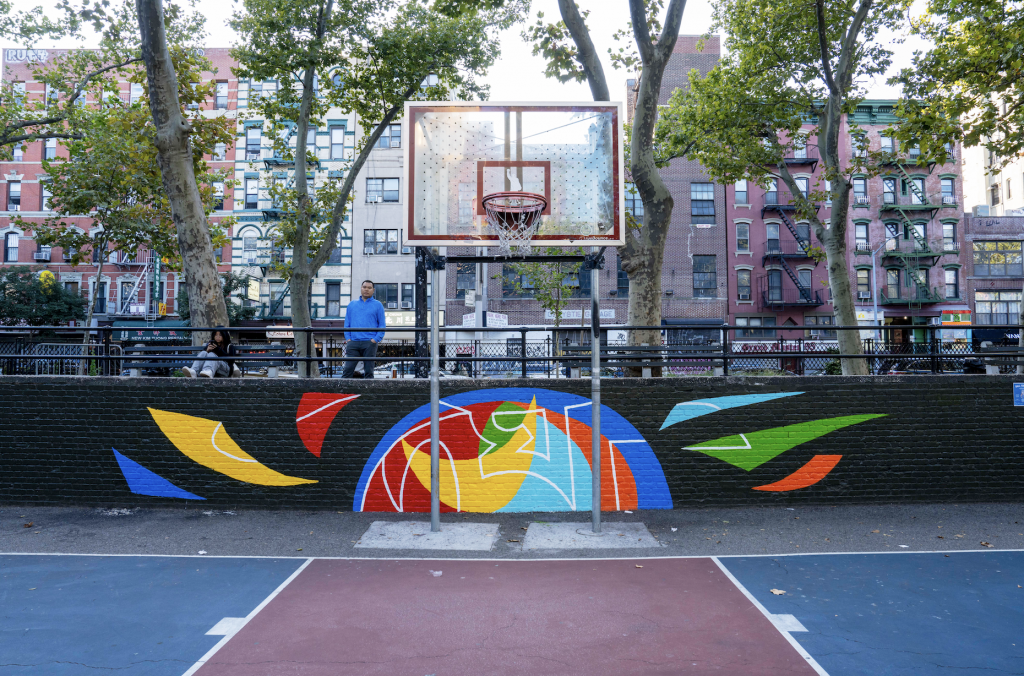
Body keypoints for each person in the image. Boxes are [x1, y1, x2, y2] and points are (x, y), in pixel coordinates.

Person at [342, 280, 385, 378]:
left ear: (373, 290)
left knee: (369, 371)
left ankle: (368, 393)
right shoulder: (352, 304)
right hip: (353, 342)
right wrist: (348, 338)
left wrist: (375, 340)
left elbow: (382, 325)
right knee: (347, 370)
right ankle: (343, 392)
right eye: (364, 287)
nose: (366, 289)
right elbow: (347, 323)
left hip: (369, 342)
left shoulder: (378, 305)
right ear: (361, 288)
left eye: (369, 288)